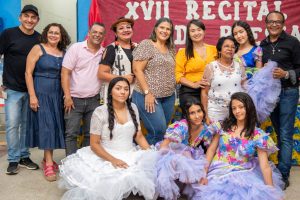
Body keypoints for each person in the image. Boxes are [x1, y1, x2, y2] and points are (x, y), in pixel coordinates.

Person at [59, 77, 157, 200]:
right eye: (118, 88)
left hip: (130, 153)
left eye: (126, 89)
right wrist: (113, 160)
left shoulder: (133, 107)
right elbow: (94, 144)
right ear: (110, 91)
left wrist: (151, 153)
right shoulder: (100, 112)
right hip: (106, 155)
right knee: (110, 186)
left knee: (145, 180)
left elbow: (139, 135)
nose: (123, 92)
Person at [193, 92, 284, 200]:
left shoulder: (258, 135)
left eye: (241, 107)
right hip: (219, 172)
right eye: (234, 108)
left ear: (249, 108)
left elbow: (264, 166)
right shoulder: (222, 126)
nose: (237, 111)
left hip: (244, 172)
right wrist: (204, 173)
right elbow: (211, 150)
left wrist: (271, 192)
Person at [25, 23, 71, 181]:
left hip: (57, 94)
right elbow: (28, 73)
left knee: (56, 125)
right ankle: (49, 164)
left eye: (56, 33)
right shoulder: (38, 48)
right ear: (46, 34)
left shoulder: (64, 52)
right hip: (41, 93)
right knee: (47, 126)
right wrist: (32, 95)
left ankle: (47, 159)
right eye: (50, 32)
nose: (53, 35)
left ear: (61, 36)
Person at [260, 10, 300, 189]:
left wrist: (286, 74)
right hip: (270, 96)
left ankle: (283, 175)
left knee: (285, 135)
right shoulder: (263, 44)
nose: (274, 24)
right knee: (277, 131)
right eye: (271, 22)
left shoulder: (293, 42)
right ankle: (279, 169)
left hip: (288, 93)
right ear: (266, 24)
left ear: (284, 24)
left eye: (278, 22)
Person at [0, 4, 40, 175]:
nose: (29, 20)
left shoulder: (39, 38)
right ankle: (13, 159)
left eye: (33, 17)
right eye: (26, 16)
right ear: (20, 17)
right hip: (13, 88)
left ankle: (24, 156)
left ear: (37, 20)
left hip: (32, 90)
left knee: (26, 126)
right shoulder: (8, 34)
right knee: (12, 125)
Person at [61, 22, 106, 156]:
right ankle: (70, 164)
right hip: (74, 100)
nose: (97, 35)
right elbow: (65, 73)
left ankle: (84, 162)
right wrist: (67, 97)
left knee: (90, 134)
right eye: (95, 32)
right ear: (89, 33)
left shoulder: (103, 52)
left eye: (100, 33)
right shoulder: (76, 48)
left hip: (94, 100)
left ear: (103, 36)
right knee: (71, 134)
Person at [156, 98, 212, 200]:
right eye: (192, 113)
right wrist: (161, 164)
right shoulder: (182, 126)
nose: (197, 116)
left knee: (197, 166)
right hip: (171, 153)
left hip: (189, 155)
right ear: (187, 115)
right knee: (180, 160)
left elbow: (209, 148)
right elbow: (164, 146)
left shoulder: (204, 129)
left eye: (199, 111)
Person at [132, 17, 176, 145]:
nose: (165, 31)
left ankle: (155, 159)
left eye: (168, 29)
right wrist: (148, 93)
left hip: (168, 97)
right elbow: (137, 69)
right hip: (147, 96)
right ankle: (141, 155)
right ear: (156, 29)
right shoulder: (147, 44)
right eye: (162, 27)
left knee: (162, 132)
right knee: (158, 130)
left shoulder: (171, 48)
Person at [232, 20, 281, 122]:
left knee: (249, 120)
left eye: (241, 32)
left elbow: (259, 73)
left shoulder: (256, 50)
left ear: (247, 32)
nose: (239, 36)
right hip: (233, 88)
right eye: (235, 34)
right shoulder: (233, 51)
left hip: (250, 91)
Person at [201, 36, 246, 122]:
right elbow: (204, 93)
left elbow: (245, 88)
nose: (230, 49)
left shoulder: (240, 66)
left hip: (236, 114)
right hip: (215, 113)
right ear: (219, 50)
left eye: (233, 47)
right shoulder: (211, 67)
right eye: (226, 46)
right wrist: (206, 115)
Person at [175, 19, 217, 112]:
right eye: (192, 31)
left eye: (199, 30)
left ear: (204, 31)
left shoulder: (214, 50)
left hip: (212, 91)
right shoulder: (183, 52)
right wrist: (194, 85)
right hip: (190, 92)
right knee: (195, 117)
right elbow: (177, 75)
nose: (196, 33)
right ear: (189, 35)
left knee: (212, 120)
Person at [99, 17, 136, 103]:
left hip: (135, 95)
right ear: (115, 33)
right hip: (117, 94)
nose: (125, 30)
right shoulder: (111, 49)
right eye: (121, 28)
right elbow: (101, 74)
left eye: (128, 27)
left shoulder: (137, 47)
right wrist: (122, 78)